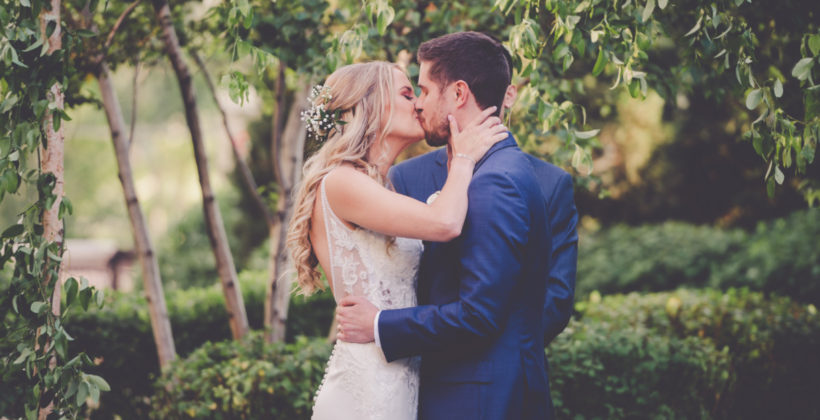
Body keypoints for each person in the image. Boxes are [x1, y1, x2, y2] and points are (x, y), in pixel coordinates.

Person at [336, 32, 578, 419]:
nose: (419, 104)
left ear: (459, 94)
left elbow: (479, 314)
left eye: (425, 90)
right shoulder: (497, 168)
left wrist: (380, 324)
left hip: (479, 397)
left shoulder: (494, 179)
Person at [285, 61, 509, 420]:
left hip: (399, 375)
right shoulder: (342, 182)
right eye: (408, 94)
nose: (419, 104)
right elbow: (446, 222)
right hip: (366, 387)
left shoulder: (383, 187)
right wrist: (465, 157)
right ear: (370, 105)